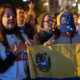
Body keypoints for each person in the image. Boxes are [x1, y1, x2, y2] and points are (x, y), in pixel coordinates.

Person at [0, 4, 29, 80]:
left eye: (13, 15)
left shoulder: (24, 36)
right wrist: (14, 54)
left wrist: (34, 49)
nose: (12, 18)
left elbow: (30, 63)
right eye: (8, 16)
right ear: (1, 18)